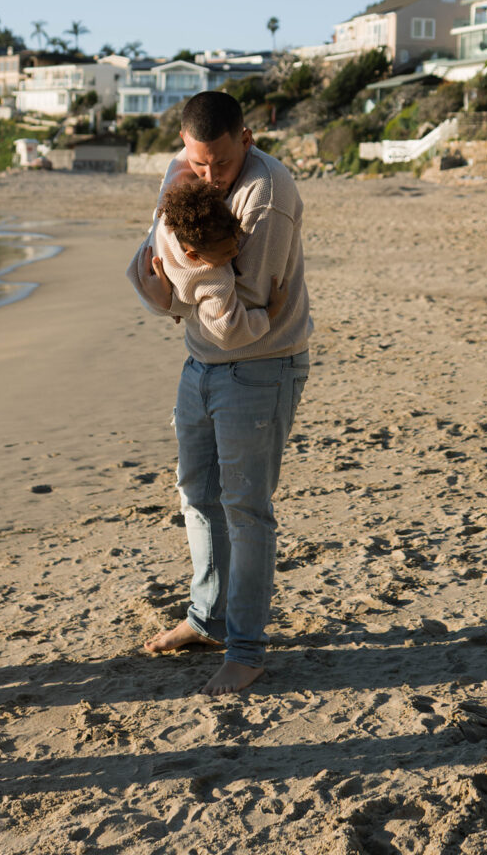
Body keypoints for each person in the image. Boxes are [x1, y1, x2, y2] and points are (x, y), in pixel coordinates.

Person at [128, 91, 312, 696]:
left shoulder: (267, 195)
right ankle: (207, 619)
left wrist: (191, 274)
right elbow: (155, 281)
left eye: (222, 165)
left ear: (248, 140)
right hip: (200, 364)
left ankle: (248, 648)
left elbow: (245, 307)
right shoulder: (184, 178)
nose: (209, 177)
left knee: (246, 509)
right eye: (198, 164)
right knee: (196, 495)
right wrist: (188, 266)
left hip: (260, 368)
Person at [130, 175, 288, 349]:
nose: (236, 252)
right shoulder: (213, 279)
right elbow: (224, 333)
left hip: (143, 277)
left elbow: (174, 172)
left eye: (236, 242)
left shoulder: (168, 219)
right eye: (226, 253)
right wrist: (269, 313)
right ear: (193, 256)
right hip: (155, 297)